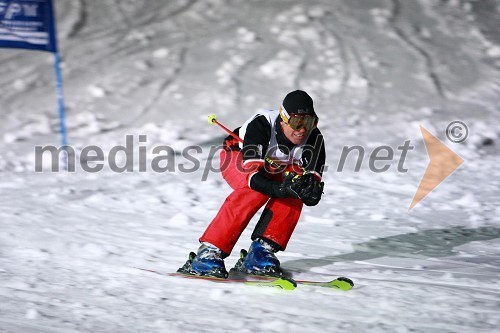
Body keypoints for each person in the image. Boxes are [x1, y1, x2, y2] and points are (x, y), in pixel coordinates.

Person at [178, 90, 326, 278]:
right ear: (283, 118)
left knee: (297, 186)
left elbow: (311, 186)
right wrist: (280, 188)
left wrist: (309, 192)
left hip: (275, 165)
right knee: (255, 190)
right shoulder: (262, 125)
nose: (303, 130)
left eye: (309, 122)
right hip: (235, 157)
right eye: (297, 122)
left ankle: (261, 251)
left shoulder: (314, 139)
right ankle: (209, 251)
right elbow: (253, 178)